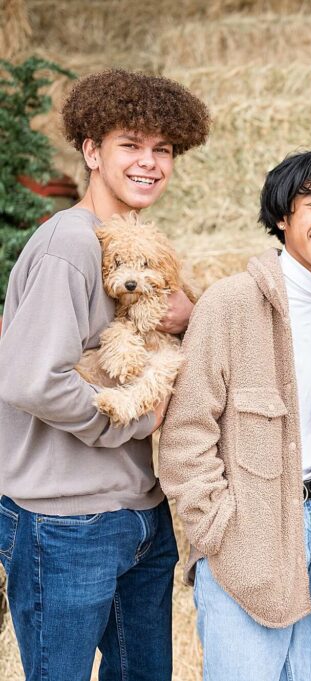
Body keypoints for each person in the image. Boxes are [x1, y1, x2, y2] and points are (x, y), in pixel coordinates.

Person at [0, 70, 208, 681]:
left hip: (140, 510)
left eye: (163, 149)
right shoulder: (69, 244)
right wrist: (140, 416)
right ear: (91, 151)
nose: (150, 163)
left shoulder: (134, 246)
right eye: (130, 144)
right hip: (65, 523)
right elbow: (31, 379)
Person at [157, 150, 311, 681]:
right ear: (283, 217)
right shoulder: (229, 305)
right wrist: (218, 529)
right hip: (246, 537)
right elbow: (186, 433)